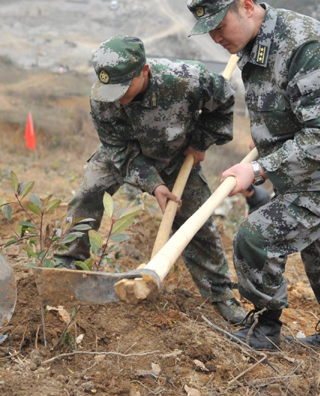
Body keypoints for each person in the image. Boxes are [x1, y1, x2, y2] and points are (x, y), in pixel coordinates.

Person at [186, 0, 320, 358]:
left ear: (246, 6)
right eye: (207, 29)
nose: (214, 37)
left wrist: (257, 170)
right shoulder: (250, 42)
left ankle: (266, 327)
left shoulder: (304, 46)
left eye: (219, 25)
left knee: (257, 236)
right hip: (306, 159)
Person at [58, 35, 246, 324]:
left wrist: (200, 142)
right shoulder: (102, 97)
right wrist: (153, 183)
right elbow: (118, 148)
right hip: (124, 154)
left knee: (197, 224)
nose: (116, 97)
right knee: (87, 196)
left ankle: (220, 294)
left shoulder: (185, 79)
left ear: (144, 71)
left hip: (175, 155)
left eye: (123, 88)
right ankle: (66, 267)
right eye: (109, 89)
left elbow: (224, 99)